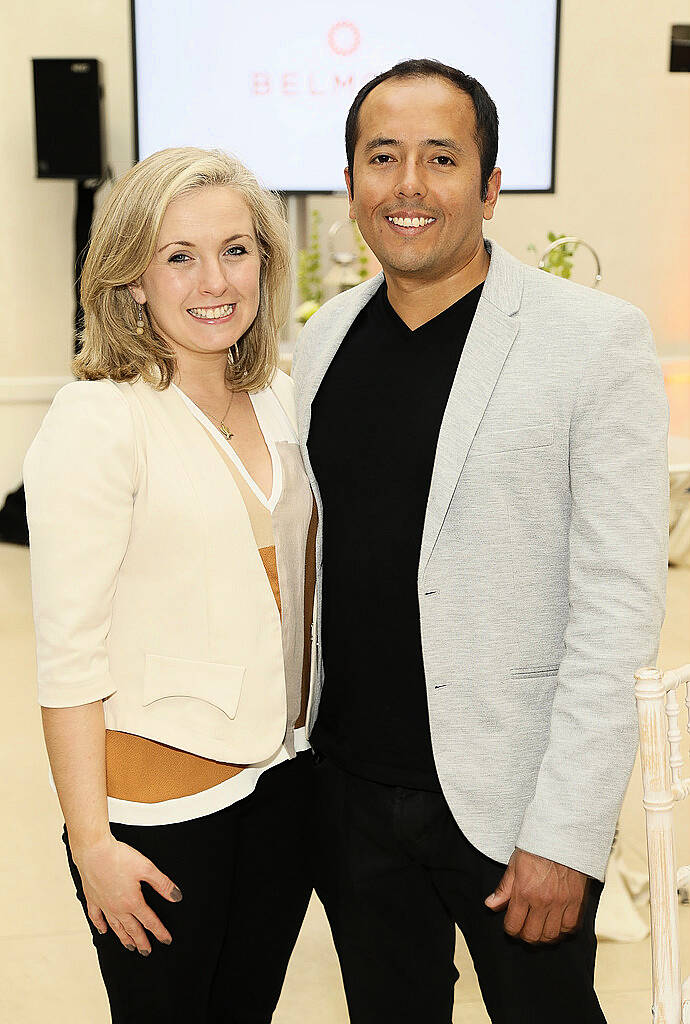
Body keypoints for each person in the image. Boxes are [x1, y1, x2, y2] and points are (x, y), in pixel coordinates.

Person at [291, 59, 669, 1023]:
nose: (407, 185)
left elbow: (620, 607)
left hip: (514, 811)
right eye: (382, 158)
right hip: (349, 799)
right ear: (350, 186)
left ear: (491, 186)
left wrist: (570, 833)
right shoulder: (321, 340)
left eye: (441, 158)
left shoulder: (594, 342)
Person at [24, 147, 317, 1024]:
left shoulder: (279, 396)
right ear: (130, 281)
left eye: (236, 249)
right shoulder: (100, 420)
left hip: (282, 790)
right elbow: (68, 659)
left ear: (266, 260)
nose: (213, 281)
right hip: (156, 809)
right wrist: (92, 847)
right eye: (178, 256)